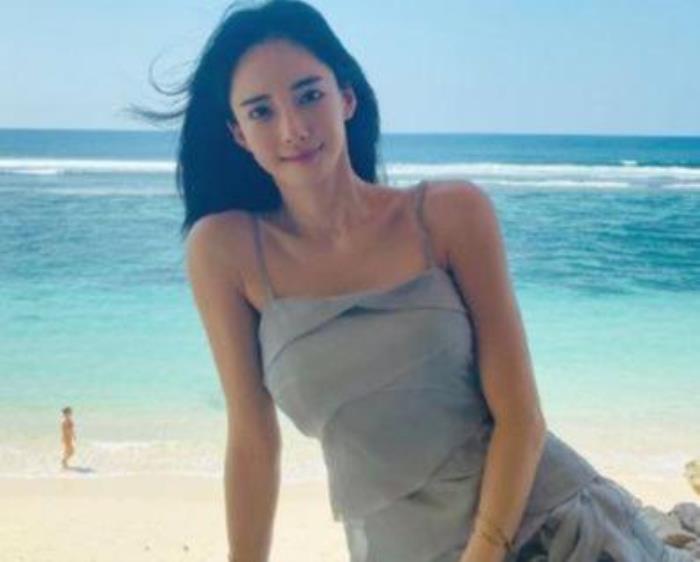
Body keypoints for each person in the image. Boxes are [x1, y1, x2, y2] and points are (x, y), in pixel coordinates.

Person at [139, 1, 695, 560]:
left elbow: (521, 417)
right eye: (261, 111)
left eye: (309, 95)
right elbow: (253, 441)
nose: (293, 128)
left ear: (346, 98)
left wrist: (482, 553)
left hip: (552, 528)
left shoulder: (450, 214)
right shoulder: (224, 251)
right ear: (238, 133)